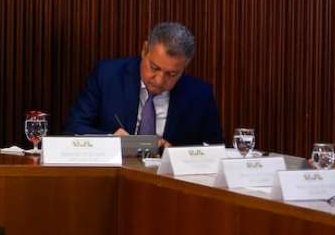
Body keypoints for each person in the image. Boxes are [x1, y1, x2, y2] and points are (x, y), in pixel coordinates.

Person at [63, 22, 223, 147]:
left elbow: (214, 149)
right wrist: (110, 140)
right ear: (145, 50)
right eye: (154, 68)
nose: (160, 80)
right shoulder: (108, 76)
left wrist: (175, 154)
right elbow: (74, 127)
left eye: (172, 74)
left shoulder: (199, 95)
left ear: (185, 66)